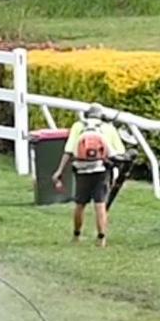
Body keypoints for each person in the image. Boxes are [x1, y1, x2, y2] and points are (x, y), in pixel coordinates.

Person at [50, 103, 126, 247]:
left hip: (81, 170)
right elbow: (119, 152)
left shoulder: (78, 126)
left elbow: (69, 151)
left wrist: (59, 171)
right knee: (100, 204)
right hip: (101, 171)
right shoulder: (108, 128)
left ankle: (76, 235)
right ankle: (101, 238)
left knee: (80, 204)